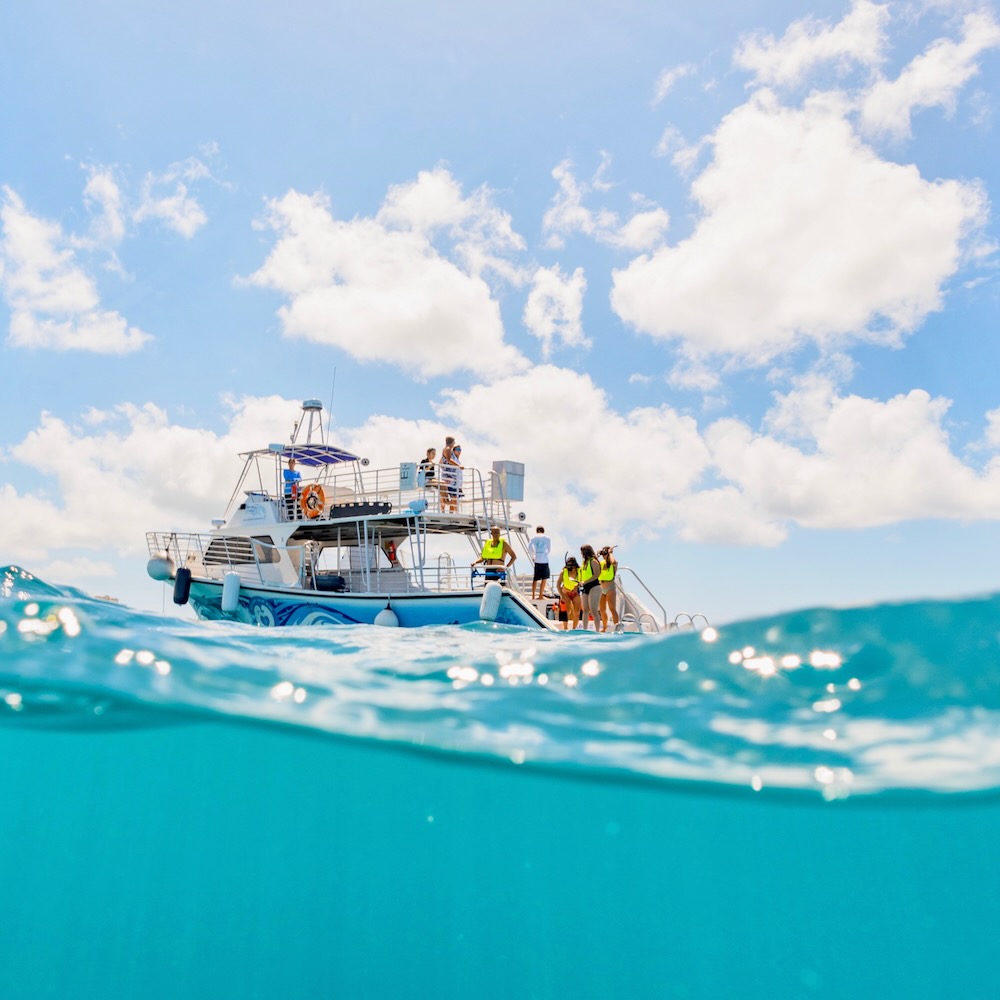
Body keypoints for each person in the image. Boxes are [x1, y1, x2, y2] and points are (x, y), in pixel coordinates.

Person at [578, 544, 602, 631]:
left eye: (582, 552)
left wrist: (585, 581)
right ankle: (585, 629)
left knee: (593, 609)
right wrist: (581, 582)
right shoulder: (584, 563)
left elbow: (597, 574)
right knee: (585, 610)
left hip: (594, 586)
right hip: (585, 587)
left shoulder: (593, 561)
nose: (581, 554)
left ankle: (597, 630)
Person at [598, 545, 620, 632]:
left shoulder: (613, 562)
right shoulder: (601, 563)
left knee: (612, 608)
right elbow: (594, 566)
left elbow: (613, 562)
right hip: (601, 588)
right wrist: (597, 555)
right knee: (602, 610)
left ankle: (616, 627)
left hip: (610, 587)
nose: (604, 555)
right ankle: (604, 627)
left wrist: (610, 553)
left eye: (605, 553)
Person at [527, 525, 551, 602]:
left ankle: (533, 595)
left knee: (535, 578)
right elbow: (549, 549)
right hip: (544, 560)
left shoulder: (533, 538)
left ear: (537, 531)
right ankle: (540, 595)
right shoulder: (547, 538)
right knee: (544, 579)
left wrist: (534, 556)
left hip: (537, 559)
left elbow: (530, 548)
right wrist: (545, 554)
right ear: (543, 531)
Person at [557, 556, 581, 630]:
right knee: (567, 611)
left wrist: (577, 586)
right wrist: (562, 595)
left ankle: (574, 628)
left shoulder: (579, 571)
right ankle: (565, 628)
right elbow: (558, 585)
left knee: (577, 612)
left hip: (575, 593)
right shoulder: (564, 572)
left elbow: (582, 581)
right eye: (570, 566)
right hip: (565, 593)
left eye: (573, 566)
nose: (572, 568)